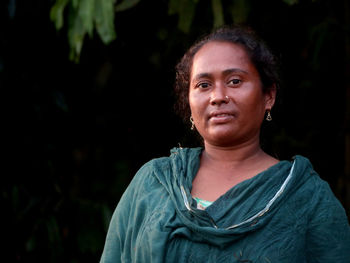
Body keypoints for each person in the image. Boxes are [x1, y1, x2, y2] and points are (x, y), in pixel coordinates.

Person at [100, 25, 350, 262]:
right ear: (189, 102)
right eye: (203, 85)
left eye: (234, 81)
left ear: (269, 95)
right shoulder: (153, 183)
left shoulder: (307, 198)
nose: (218, 97)